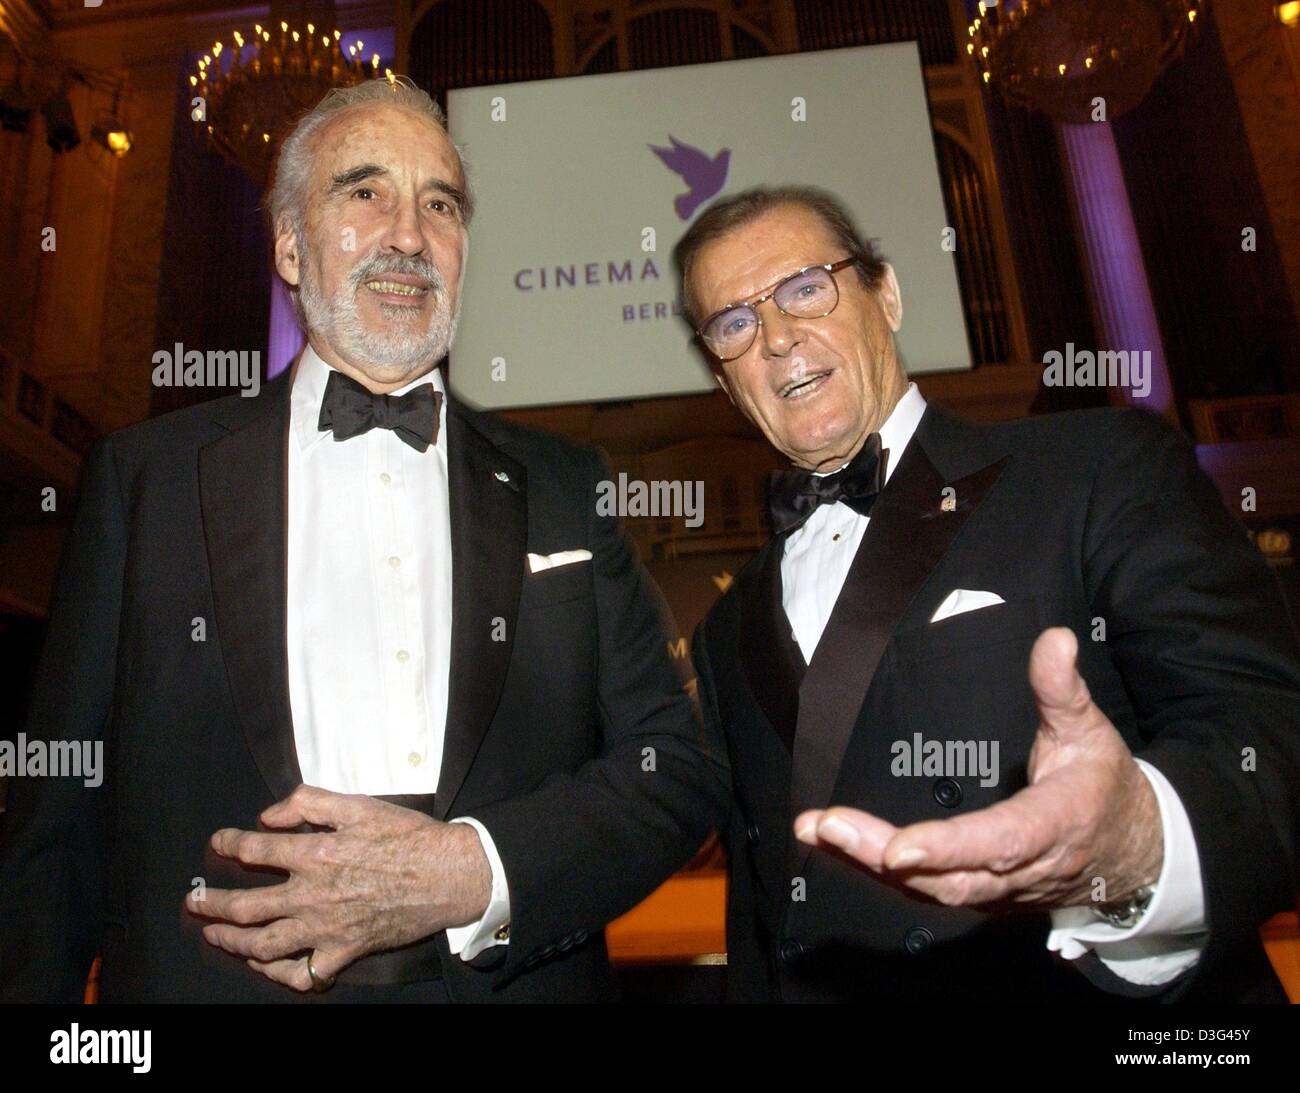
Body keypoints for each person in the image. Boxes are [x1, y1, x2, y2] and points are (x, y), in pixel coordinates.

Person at [0, 77, 727, 1003]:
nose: (410, 234)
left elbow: (676, 764)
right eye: (365, 191)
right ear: (291, 247)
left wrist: (471, 873)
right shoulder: (144, 479)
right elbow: (52, 832)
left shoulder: (562, 484)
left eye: (441, 204)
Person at [676, 184, 1300, 1003]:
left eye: (805, 287)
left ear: (887, 294)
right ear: (724, 381)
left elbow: (1269, 726)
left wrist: (1138, 845)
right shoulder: (727, 625)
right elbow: (759, 906)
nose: (778, 335)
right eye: (735, 323)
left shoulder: (1097, 466)